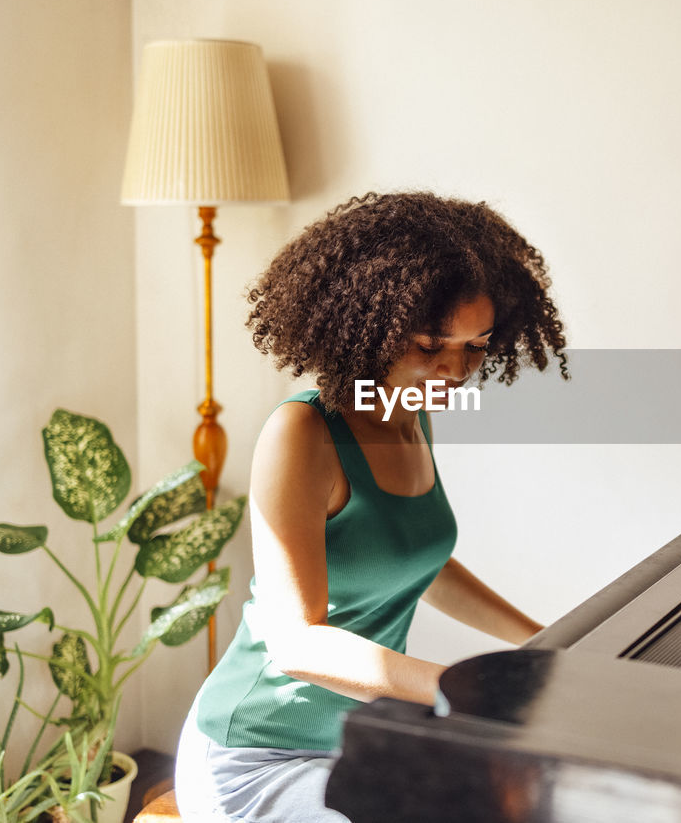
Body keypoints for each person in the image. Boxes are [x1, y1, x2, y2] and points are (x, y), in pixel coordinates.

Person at [175, 191, 570, 822]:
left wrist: (547, 643)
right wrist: (460, 690)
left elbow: (422, 564)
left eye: (475, 346)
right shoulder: (304, 435)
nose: (453, 370)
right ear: (370, 325)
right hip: (256, 756)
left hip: (356, 741)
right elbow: (297, 644)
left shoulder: (411, 414)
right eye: (429, 344)